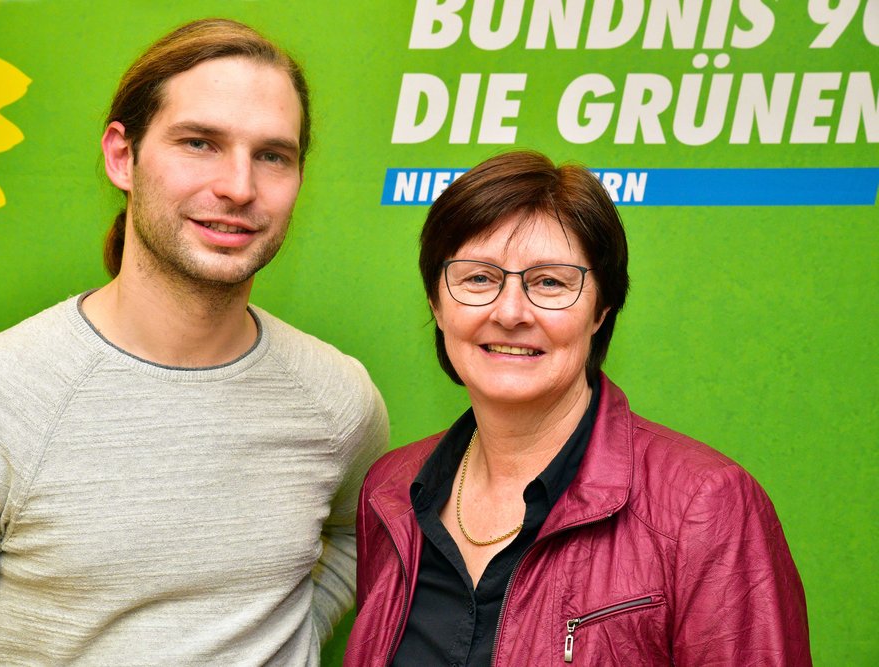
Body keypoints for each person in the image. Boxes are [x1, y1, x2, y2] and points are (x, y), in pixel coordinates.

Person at [0, 18, 388, 665]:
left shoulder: (336, 397)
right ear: (123, 156)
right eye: (200, 143)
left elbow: (360, 538)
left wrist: (289, 640)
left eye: (272, 155)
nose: (239, 186)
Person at [344, 150, 810, 666]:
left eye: (550, 282)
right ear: (436, 303)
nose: (510, 312)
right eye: (478, 278)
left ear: (601, 310)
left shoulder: (705, 506)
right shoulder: (390, 494)